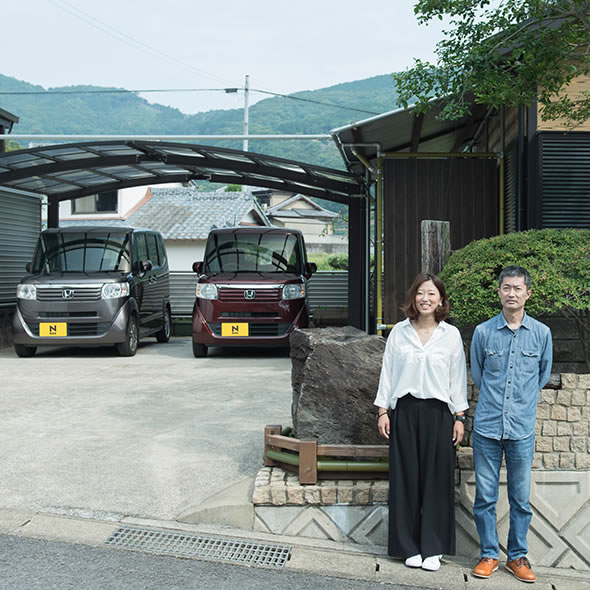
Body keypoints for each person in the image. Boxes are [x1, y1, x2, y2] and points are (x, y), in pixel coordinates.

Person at [374, 272, 468, 572]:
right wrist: (383, 411)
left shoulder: (450, 335)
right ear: (413, 298)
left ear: (441, 300)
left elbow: (457, 378)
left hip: (439, 414)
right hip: (405, 411)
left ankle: (433, 547)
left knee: (437, 481)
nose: (425, 299)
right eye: (420, 293)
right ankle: (408, 546)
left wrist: (460, 417)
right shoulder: (399, 332)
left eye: (431, 294)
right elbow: (387, 373)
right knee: (406, 480)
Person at [470, 265, 552, 584]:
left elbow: (542, 375)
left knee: (520, 499)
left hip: (521, 430)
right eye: (506, 287)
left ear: (528, 293)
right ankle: (489, 554)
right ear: (499, 292)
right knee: (485, 497)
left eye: (518, 288)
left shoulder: (542, 334)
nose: (512, 293)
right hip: (487, 427)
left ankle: (517, 556)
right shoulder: (483, 332)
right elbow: (478, 374)